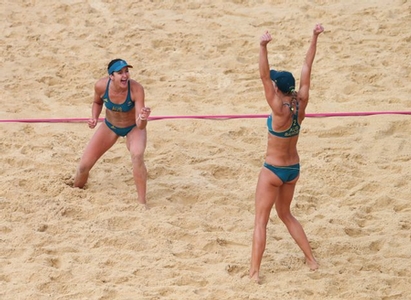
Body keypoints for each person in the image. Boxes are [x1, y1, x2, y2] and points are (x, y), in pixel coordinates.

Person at [250, 24, 324, 283]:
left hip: (272, 170)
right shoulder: (300, 101)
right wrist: (313, 37)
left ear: (278, 89)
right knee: (286, 214)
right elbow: (307, 66)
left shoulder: (278, 107)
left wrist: (263, 47)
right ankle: (311, 260)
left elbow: (262, 76)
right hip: (293, 169)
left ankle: (254, 273)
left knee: (261, 221)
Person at [73, 58, 151, 206]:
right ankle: (75, 191)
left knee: (137, 154)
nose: (125, 75)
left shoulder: (136, 89)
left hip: (133, 127)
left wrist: (143, 117)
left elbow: (140, 125)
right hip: (110, 125)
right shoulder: (101, 86)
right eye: (120, 72)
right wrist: (94, 118)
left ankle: (142, 203)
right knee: (83, 166)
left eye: (127, 71)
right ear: (111, 76)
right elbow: (97, 102)